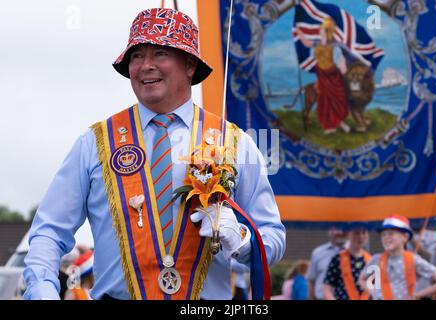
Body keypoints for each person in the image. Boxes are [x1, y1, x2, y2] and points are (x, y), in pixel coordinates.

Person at [23, 8, 285, 300]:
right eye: (136, 56)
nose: (145, 65)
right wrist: (43, 292)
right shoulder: (94, 142)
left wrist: (243, 241)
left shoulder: (236, 143)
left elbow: (272, 236)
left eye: (160, 53)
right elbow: (48, 232)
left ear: (189, 64)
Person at [360, 215, 436, 300]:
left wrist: (418, 295)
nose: (386, 237)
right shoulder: (376, 260)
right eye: (383, 234)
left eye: (391, 234)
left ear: (405, 237)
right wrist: (374, 293)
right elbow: (362, 279)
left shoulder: (413, 260)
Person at [296, 17, 350, 134]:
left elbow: (341, 62)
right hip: (322, 75)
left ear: (327, 32)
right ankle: (330, 126)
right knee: (324, 100)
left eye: (322, 30)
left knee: (337, 100)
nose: (319, 32)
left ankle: (339, 122)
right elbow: (307, 43)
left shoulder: (334, 46)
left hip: (333, 76)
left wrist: (344, 71)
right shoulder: (317, 43)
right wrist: (299, 32)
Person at [323, 225, 371, 300]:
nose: (361, 237)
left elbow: (376, 290)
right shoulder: (337, 259)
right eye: (356, 233)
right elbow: (327, 290)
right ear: (349, 235)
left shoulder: (371, 260)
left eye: (364, 233)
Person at [305, 227, 348, 300]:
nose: (340, 232)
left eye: (343, 228)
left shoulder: (357, 254)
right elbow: (312, 281)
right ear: (329, 230)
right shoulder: (317, 253)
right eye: (337, 228)